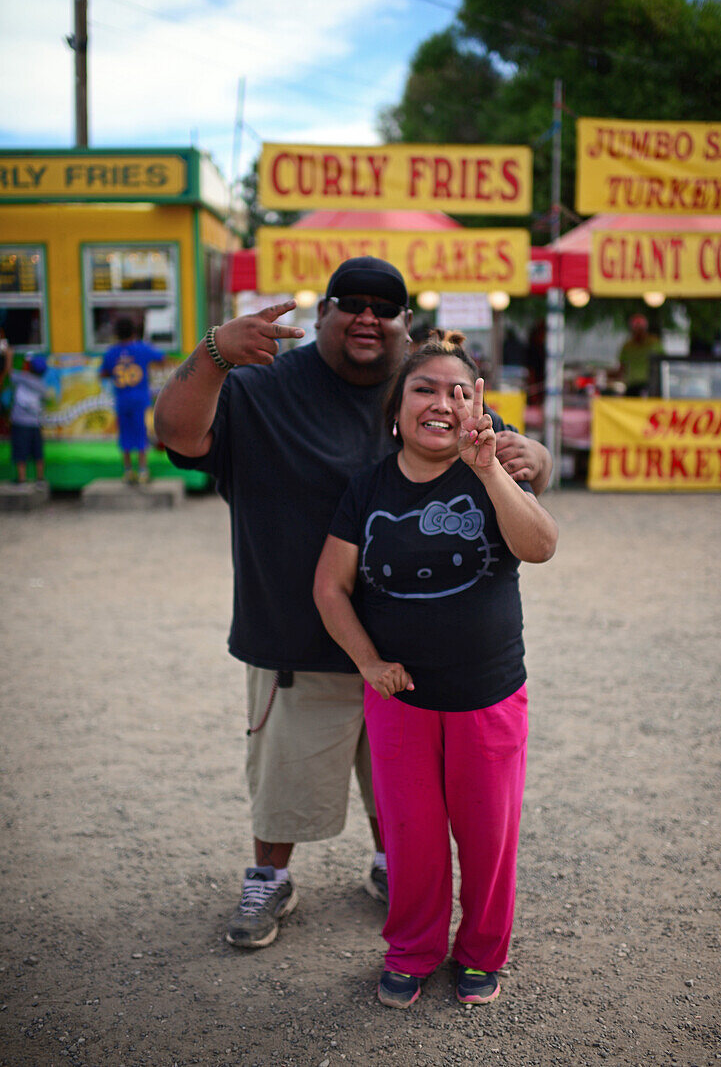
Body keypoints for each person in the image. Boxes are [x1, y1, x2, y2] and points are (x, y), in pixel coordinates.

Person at [152, 256, 552, 951]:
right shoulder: (264, 385)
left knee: (402, 792)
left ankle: (392, 866)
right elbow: (177, 435)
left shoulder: (429, 391)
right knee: (284, 778)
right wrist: (213, 354)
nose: (368, 316)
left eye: (386, 306)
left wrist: (538, 458)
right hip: (298, 635)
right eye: (351, 303)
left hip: (413, 657)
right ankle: (268, 876)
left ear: (407, 324)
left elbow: (513, 453)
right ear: (322, 315)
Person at [313, 331, 558, 1008]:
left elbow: (541, 546)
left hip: (489, 697)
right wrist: (367, 662)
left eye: (458, 390)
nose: (441, 402)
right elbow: (329, 586)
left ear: (477, 406)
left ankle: (481, 952)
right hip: (402, 704)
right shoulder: (367, 488)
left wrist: (489, 471)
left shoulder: (494, 472)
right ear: (397, 409)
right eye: (424, 388)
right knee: (412, 840)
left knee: (489, 839)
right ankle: (413, 951)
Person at [99, 317, 166, 483]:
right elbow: (161, 358)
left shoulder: (111, 352)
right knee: (141, 434)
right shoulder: (142, 348)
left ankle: (128, 471)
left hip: (122, 399)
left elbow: (103, 373)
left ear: (116, 334)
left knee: (125, 436)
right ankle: (143, 470)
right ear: (134, 332)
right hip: (140, 399)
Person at [1, 349, 48, 485]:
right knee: (37, 452)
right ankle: (40, 478)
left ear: (30, 367)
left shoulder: (22, 378)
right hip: (35, 423)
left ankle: (22, 479)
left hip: (20, 423)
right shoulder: (42, 386)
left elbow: (8, 372)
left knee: (20, 452)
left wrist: (9, 356)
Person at [616, 313, 662, 396]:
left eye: (640, 329)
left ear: (645, 329)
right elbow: (622, 366)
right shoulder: (627, 346)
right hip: (632, 384)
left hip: (650, 384)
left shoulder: (654, 343)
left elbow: (662, 362)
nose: (638, 332)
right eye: (636, 329)